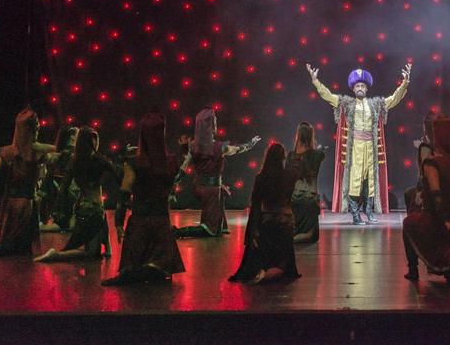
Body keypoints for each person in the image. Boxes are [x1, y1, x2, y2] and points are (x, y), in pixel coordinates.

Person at [306, 62, 411, 224]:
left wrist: (405, 82)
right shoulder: (346, 103)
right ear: (353, 89)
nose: (360, 88)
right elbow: (328, 95)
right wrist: (315, 81)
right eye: (357, 86)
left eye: (362, 86)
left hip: (370, 147)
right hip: (355, 146)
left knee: (370, 181)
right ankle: (355, 215)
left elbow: (394, 99)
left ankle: (369, 212)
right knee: (354, 181)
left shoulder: (375, 104)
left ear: (367, 89)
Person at [101, 112, 184, 286]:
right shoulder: (170, 162)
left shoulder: (135, 163)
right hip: (161, 223)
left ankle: (137, 272)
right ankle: (153, 269)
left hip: (140, 224)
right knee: (158, 269)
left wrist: (118, 222)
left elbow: (124, 194)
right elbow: (174, 181)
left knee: (133, 270)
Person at [0, 107, 56, 258]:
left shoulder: (9, 153)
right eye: (35, 126)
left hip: (14, 203)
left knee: (13, 246)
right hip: (25, 204)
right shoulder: (38, 152)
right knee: (14, 247)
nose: (38, 129)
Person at [402, 116, 450, 288]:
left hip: (437, 218)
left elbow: (436, 195)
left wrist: (444, 220)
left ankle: (413, 269)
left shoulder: (432, 163)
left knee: (408, 223)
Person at [34, 127, 121, 262]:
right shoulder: (99, 160)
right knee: (90, 253)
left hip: (81, 209)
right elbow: (118, 175)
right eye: (94, 139)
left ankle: (105, 247)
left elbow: (64, 188)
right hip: (94, 210)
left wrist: (59, 209)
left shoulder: (75, 161)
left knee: (87, 245)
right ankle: (55, 255)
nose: (96, 142)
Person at [173, 108, 260, 239]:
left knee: (221, 191)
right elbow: (238, 149)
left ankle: (219, 225)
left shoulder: (193, 146)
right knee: (209, 230)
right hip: (210, 190)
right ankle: (179, 232)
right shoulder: (219, 148)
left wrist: (174, 182)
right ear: (211, 126)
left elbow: (184, 167)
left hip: (199, 187)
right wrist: (251, 143)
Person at [229, 142, 300, 283]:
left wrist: (253, 229)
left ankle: (264, 271)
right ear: (283, 157)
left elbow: (255, 204)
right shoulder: (289, 176)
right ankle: (276, 269)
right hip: (284, 223)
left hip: (267, 222)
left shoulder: (261, 177)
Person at [286, 122, 326, 244]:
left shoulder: (291, 156)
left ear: (298, 136)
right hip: (310, 202)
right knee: (312, 237)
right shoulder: (317, 155)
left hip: (294, 201)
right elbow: (320, 154)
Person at [38, 125, 79, 233]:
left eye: (75, 138)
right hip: (60, 184)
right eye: (71, 139)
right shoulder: (63, 154)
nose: (73, 141)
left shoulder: (75, 155)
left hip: (70, 185)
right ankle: (45, 222)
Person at [404, 112, 439, 214]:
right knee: (409, 192)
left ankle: (416, 217)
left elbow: (424, 173)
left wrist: (422, 148)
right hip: (429, 187)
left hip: (432, 189)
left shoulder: (427, 148)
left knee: (409, 193)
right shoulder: (428, 145)